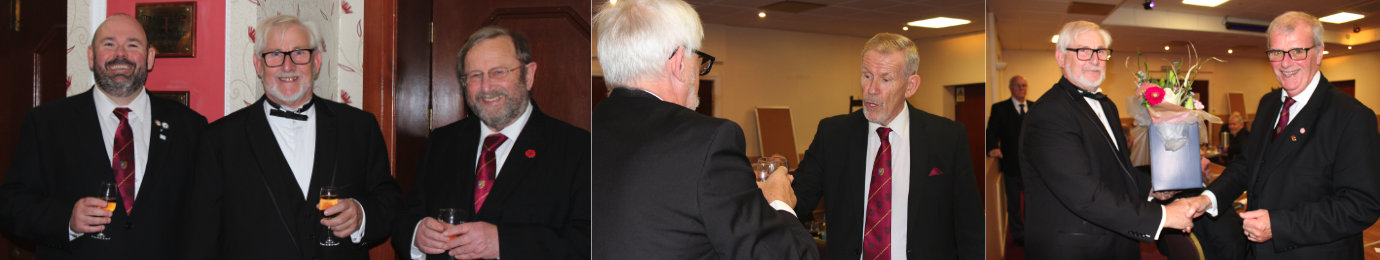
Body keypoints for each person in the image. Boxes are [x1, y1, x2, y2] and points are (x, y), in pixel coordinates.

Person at [590, 0, 817, 258]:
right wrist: (780, 203)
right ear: (679, 64)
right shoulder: (708, 143)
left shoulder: (586, 130)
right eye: (699, 61)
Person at [181, 15, 402, 259]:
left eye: (299, 53)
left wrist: (361, 214)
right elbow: (200, 237)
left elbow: (388, 202)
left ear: (316, 62)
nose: (288, 66)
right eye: (275, 54)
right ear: (258, 65)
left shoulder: (359, 127)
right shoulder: (219, 140)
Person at [0, 14, 206, 259]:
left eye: (132, 45)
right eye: (109, 44)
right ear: (90, 56)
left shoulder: (190, 126)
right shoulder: (46, 123)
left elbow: (208, 212)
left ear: (150, 58)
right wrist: (67, 219)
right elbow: (12, 205)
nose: (120, 54)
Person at [1180, 11, 1380, 259]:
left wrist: (1279, 225)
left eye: (1297, 51)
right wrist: (1207, 199)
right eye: (1276, 53)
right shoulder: (1269, 104)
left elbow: (1361, 205)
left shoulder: (1351, 117)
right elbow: (1246, 165)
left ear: (1319, 53)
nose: (1285, 63)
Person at [392, 26, 589, 260]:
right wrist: (417, 235)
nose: (486, 88)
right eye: (475, 75)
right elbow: (407, 219)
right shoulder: (442, 142)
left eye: (499, 72)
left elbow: (587, 243)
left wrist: (503, 243)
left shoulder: (578, 149)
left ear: (528, 75)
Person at [791, 32, 982, 260]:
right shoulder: (833, 135)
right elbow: (797, 199)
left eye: (885, 79)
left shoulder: (948, 138)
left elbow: (970, 225)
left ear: (910, 85)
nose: (871, 89)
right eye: (867, 75)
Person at [1019, 20, 1201, 259]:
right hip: (1075, 249)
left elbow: (1118, 169)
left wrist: (1154, 188)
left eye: (1101, 51)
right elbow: (1083, 194)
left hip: (1116, 239)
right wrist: (1164, 216)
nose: (1095, 59)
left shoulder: (1108, 106)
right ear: (1060, 58)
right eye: (1083, 51)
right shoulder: (1049, 113)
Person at [985, 74, 1035, 246]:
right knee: (1014, 204)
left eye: (1024, 85)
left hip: (1033, 168)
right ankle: (1019, 235)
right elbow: (991, 132)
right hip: (1011, 166)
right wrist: (992, 147)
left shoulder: (1035, 107)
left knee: (1032, 202)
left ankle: (1032, 231)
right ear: (1011, 88)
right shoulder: (1000, 109)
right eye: (1018, 85)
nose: (1022, 88)